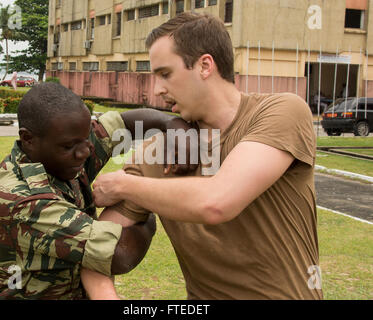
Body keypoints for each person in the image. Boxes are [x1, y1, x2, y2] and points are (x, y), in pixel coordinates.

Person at [90, 12, 323, 299]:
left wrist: (122, 185)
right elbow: (92, 248)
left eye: (165, 74)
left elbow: (217, 202)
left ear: (204, 65)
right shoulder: (158, 152)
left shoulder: (282, 112)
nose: (157, 89)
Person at [0, 82, 194, 300]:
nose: (83, 152)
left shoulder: (62, 155)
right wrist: (141, 208)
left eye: (85, 139)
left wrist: (173, 123)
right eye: (69, 146)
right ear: (28, 139)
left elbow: (125, 123)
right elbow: (120, 254)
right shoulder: (24, 200)